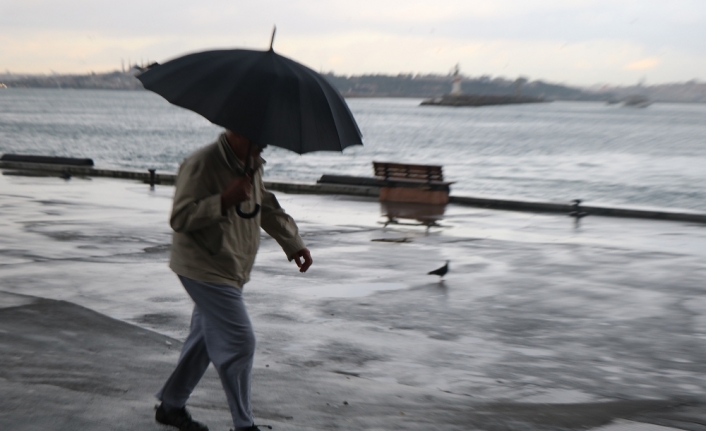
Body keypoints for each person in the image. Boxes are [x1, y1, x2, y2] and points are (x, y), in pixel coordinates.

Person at [154, 130, 312, 431]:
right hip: (202, 266)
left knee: (203, 340)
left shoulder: (250, 164)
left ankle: (171, 406)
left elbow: (263, 204)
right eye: (258, 138)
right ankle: (244, 424)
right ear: (236, 132)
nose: (264, 144)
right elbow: (180, 218)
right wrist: (224, 200)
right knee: (240, 341)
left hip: (232, 266)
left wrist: (294, 243)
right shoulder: (202, 163)